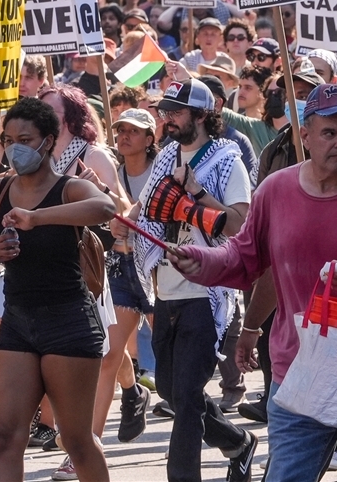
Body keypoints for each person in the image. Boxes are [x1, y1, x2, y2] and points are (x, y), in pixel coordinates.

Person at [164, 84, 337, 482]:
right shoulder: (275, 189)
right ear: (304, 135)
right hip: (297, 369)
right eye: (329, 133)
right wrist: (199, 260)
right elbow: (244, 258)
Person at [113, 78, 257, 482]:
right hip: (165, 290)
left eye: (175, 112)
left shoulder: (227, 159)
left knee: (188, 398)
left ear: (201, 114)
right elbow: (148, 205)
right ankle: (237, 443)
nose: (167, 119)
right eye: (165, 112)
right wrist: (127, 220)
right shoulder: (166, 156)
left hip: (206, 291)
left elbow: (241, 226)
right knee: (172, 391)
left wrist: (196, 195)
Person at [0, 98, 116, 482]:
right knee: (5, 436)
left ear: (48, 141)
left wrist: (36, 219)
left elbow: (105, 209)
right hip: (18, 322)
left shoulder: (69, 187)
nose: (14, 148)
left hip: (69, 321)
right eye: (8, 140)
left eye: (24, 139)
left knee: (75, 440)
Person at [93, 109, 158, 448]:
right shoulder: (110, 173)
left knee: (171, 359)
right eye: (120, 130)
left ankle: (216, 428)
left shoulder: (162, 174)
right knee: (109, 354)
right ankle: (89, 445)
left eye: (135, 131)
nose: (125, 136)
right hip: (120, 267)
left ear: (150, 139)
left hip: (157, 272)